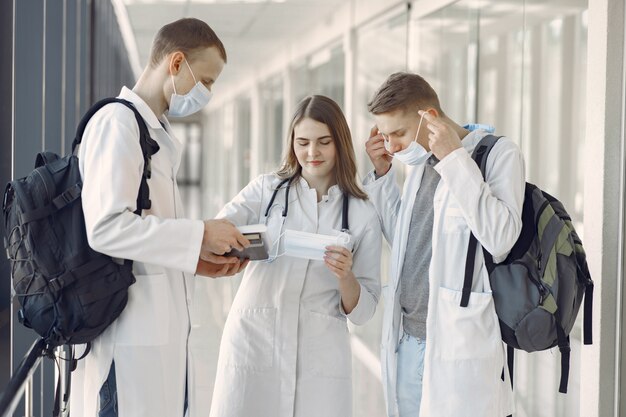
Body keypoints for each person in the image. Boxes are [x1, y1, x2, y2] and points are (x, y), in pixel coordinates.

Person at [70, 18, 251, 417]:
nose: (208, 92)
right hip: (127, 342)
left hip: (153, 338)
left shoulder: (152, 130)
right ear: (177, 63)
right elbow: (106, 228)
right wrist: (199, 234)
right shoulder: (117, 123)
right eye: (206, 80)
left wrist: (195, 260)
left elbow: (145, 232)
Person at [209, 95, 382, 417]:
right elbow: (218, 234)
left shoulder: (362, 213)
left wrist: (346, 276)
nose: (312, 153)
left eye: (323, 142)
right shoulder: (265, 191)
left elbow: (364, 311)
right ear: (292, 143)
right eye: (302, 142)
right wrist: (256, 240)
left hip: (320, 353)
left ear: (340, 143)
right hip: (254, 338)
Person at [363, 72, 525, 417]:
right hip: (408, 341)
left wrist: (454, 159)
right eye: (385, 135)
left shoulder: (497, 154)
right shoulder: (421, 165)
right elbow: (407, 241)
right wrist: (381, 177)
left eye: (398, 134)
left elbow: (501, 239)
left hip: (458, 346)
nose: (390, 146)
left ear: (429, 117)